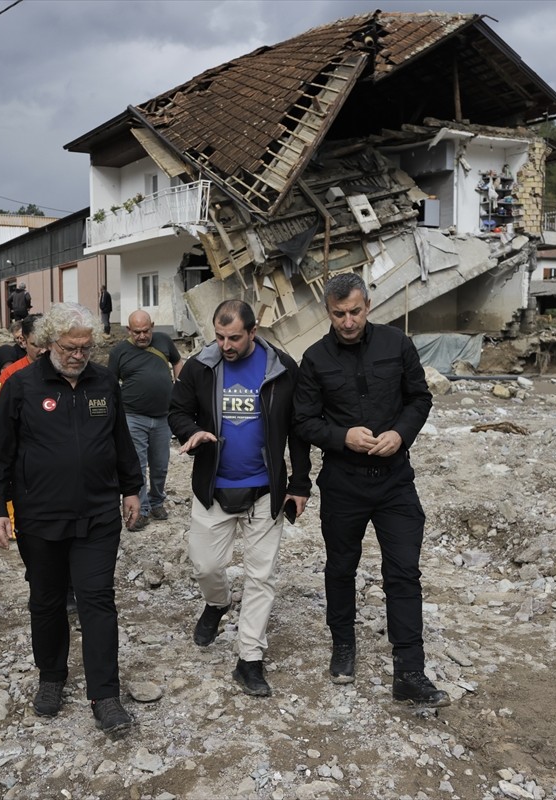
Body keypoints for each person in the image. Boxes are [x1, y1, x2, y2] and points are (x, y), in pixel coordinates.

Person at [0, 302, 142, 739]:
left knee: (97, 600)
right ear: (50, 343)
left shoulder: (104, 382)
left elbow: (120, 439)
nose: (78, 355)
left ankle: (105, 695)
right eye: (70, 348)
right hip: (40, 516)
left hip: (97, 514)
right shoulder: (22, 385)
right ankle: (51, 677)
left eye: (86, 347)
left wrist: (131, 487)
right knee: (47, 601)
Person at [292, 272, 450, 709]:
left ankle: (409, 672)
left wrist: (400, 434)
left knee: (403, 572)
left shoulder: (397, 344)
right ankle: (343, 645)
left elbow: (419, 398)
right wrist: (342, 436)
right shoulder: (314, 358)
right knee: (341, 567)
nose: (348, 322)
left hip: (395, 481)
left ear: (368, 306)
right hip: (343, 483)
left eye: (355, 312)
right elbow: (303, 421)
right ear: (328, 312)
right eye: (339, 314)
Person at [168, 299, 310, 696]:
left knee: (261, 576)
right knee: (206, 565)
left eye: (234, 338)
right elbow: (177, 411)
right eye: (219, 337)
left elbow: (298, 429)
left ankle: (249, 659)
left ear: (253, 331)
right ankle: (217, 603)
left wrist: (300, 483)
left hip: (265, 490)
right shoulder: (200, 366)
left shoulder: (281, 368)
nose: (225, 346)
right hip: (213, 487)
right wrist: (191, 432)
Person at [107, 309, 181, 530]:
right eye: (137, 332)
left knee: (160, 465)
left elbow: (177, 361)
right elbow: (110, 383)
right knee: (137, 466)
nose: (142, 336)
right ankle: (142, 510)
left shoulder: (164, 340)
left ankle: (157, 501)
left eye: (146, 331)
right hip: (133, 417)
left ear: (153, 327)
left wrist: (180, 387)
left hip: (163, 417)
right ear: (128, 330)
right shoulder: (119, 352)